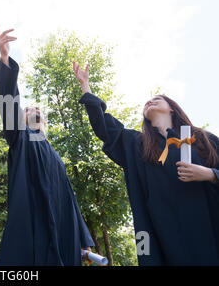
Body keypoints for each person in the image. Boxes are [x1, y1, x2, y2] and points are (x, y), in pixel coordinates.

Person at [74, 61, 219, 265]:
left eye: (157, 99)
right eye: (147, 102)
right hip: (163, 238)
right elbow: (104, 127)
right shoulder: (136, 145)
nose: (150, 102)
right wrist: (85, 86)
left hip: (207, 231)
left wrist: (210, 174)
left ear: (172, 109)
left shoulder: (204, 140)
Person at [0, 24, 94, 265]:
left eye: (38, 108)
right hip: (32, 223)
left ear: (46, 119)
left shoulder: (56, 156)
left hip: (62, 231)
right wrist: (5, 58)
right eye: (28, 108)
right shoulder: (20, 139)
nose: (34, 109)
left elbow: (70, 198)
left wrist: (83, 238)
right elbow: (9, 103)